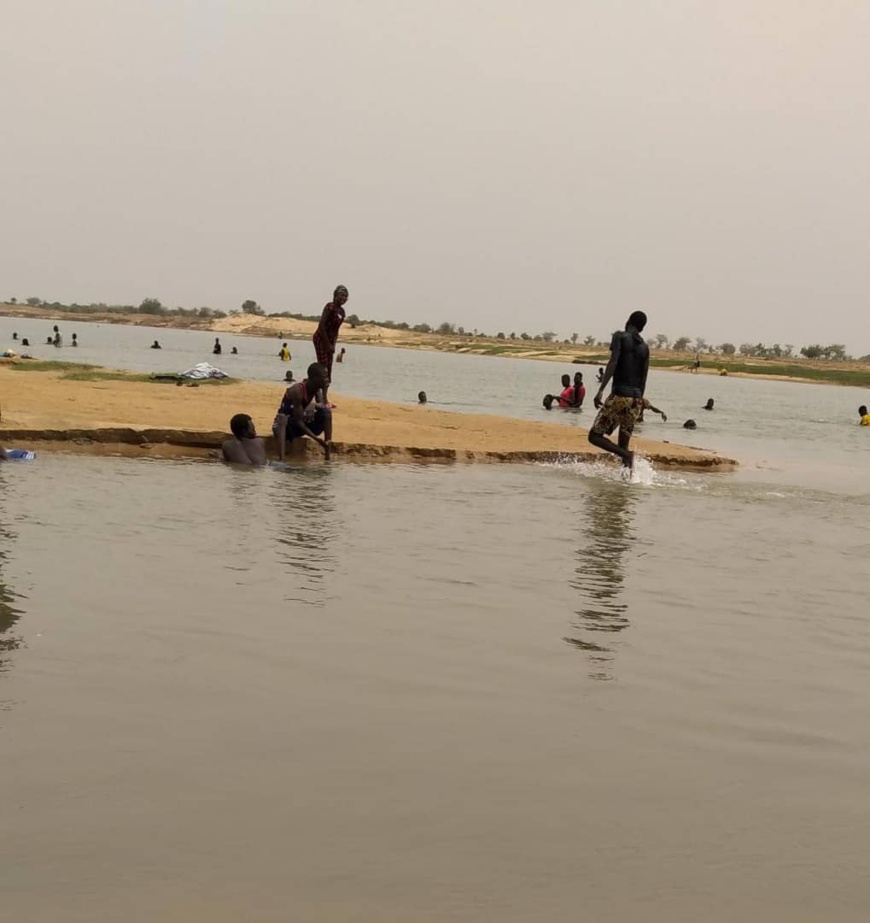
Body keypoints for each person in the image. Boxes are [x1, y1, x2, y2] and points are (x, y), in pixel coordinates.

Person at [588, 310, 650, 469]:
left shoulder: (620, 336)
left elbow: (613, 363)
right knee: (623, 444)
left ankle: (626, 455)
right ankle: (625, 484)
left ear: (628, 321)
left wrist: (601, 389)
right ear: (642, 328)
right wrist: (639, 405)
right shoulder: (645, 348)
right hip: (636, 399)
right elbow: (643, 379)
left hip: (620, 395)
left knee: (594, 436)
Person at [273, 362, 333, 461]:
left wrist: (324, 392)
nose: (328, 380)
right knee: (282, 418)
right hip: (287, 427)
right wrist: (316, 439)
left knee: (327, 413)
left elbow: (324, 405)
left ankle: (327, 455)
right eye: (325, 377)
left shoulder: (316, 389)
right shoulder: (298, 391)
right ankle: (281, 459)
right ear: (315, 378)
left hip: (299, 424)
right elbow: (298, 421)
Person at [313, 284, 348, 399]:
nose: (343, 298)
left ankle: (324, 396)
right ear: (335, 295)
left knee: (329, 369)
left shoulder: (342, 313)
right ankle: (320, 397)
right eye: (341, 295)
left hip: (330, 342)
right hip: (320, 339)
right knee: (323, 367)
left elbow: (336, 331)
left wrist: (333, 345)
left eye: (346, 296)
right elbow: (321, 325)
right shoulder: (329, 307)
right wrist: (327, 344)